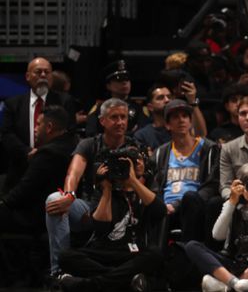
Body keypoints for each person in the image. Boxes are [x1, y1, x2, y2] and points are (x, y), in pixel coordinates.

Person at [44, 98, 137, 277]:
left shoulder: (135, 146)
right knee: (55, 199)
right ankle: (60, 272)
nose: (120, 122)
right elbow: (74, 172)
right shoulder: (89, 144)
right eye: (114, 117)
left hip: (124, 210)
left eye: (123, 117)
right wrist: (69, 196)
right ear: (102, 121)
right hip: (91, 207)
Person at [56, 146, 166, 292]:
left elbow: (161, 211)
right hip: (104, 252)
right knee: (66, 256)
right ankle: (125, 281)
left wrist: (133, 180)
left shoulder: (143, 191)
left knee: (155, 254)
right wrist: (107, 190)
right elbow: (100, 228)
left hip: (132, 254)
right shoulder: (106, 187)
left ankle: (88, 285)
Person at [184, 163, 248, 292]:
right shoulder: (232, 203)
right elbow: (217, 235)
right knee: (192, 246)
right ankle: (237, 283)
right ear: (239, 186)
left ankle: (230, 283)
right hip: (235, 261)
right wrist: (232, 203)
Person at [0, 57, 76, 191]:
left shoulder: (65, 101)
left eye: (47, 72)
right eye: (38, 72)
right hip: (20, 171)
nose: (43, 75)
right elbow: (7, 134)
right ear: (28, 76)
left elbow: (70, 133)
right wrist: (28, 152)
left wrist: (45, 154)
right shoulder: (13, 104)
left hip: (55, 172)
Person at [149, 99, 219, 243]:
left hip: (196, 205)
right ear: (167, 125)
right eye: (175, 117)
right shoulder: (159, 153)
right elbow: (154, 186)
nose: (181, 120)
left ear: (191, 121)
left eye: (185, 116)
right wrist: (162, 205)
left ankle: (190, 253)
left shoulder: (209, 149)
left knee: (190, 198)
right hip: (166, 207)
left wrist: (177, 205)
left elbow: (212, 185)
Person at [0, 106, 76, 235]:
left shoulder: (48, 153)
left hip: (37, 217)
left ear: (49, 127)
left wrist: (2, 203)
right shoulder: (74, 145)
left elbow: (23, 191)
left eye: (38, 124)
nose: (35, 128)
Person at [85, 60, 150, 137]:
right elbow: (90, 133)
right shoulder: (100, 108)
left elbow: (144, 134)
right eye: (119, 80)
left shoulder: (139, 108)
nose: (124, 83)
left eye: (127, 79)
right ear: (108, 85)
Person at [133, 84, 172, 151]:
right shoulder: (142, 136)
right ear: (150, 107)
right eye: (160, 98)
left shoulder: (181, 128)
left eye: (169, 97)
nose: (167, 100)